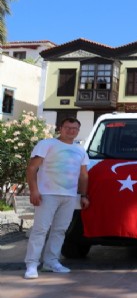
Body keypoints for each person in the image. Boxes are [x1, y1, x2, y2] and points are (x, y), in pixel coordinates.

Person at [24, 117, 90, 279]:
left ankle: (51, 262)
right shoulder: (46, 144)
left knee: (60, 230)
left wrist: (84, 195)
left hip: (69, 196)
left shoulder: (80, 150)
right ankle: (32, 264)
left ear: (78, 131)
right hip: (47, 194)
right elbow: (32, 168)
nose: (71, 131)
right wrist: (34, 191)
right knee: (40, 230)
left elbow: (83, 175)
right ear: (60, 128)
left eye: (75, 128)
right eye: (68, 127)